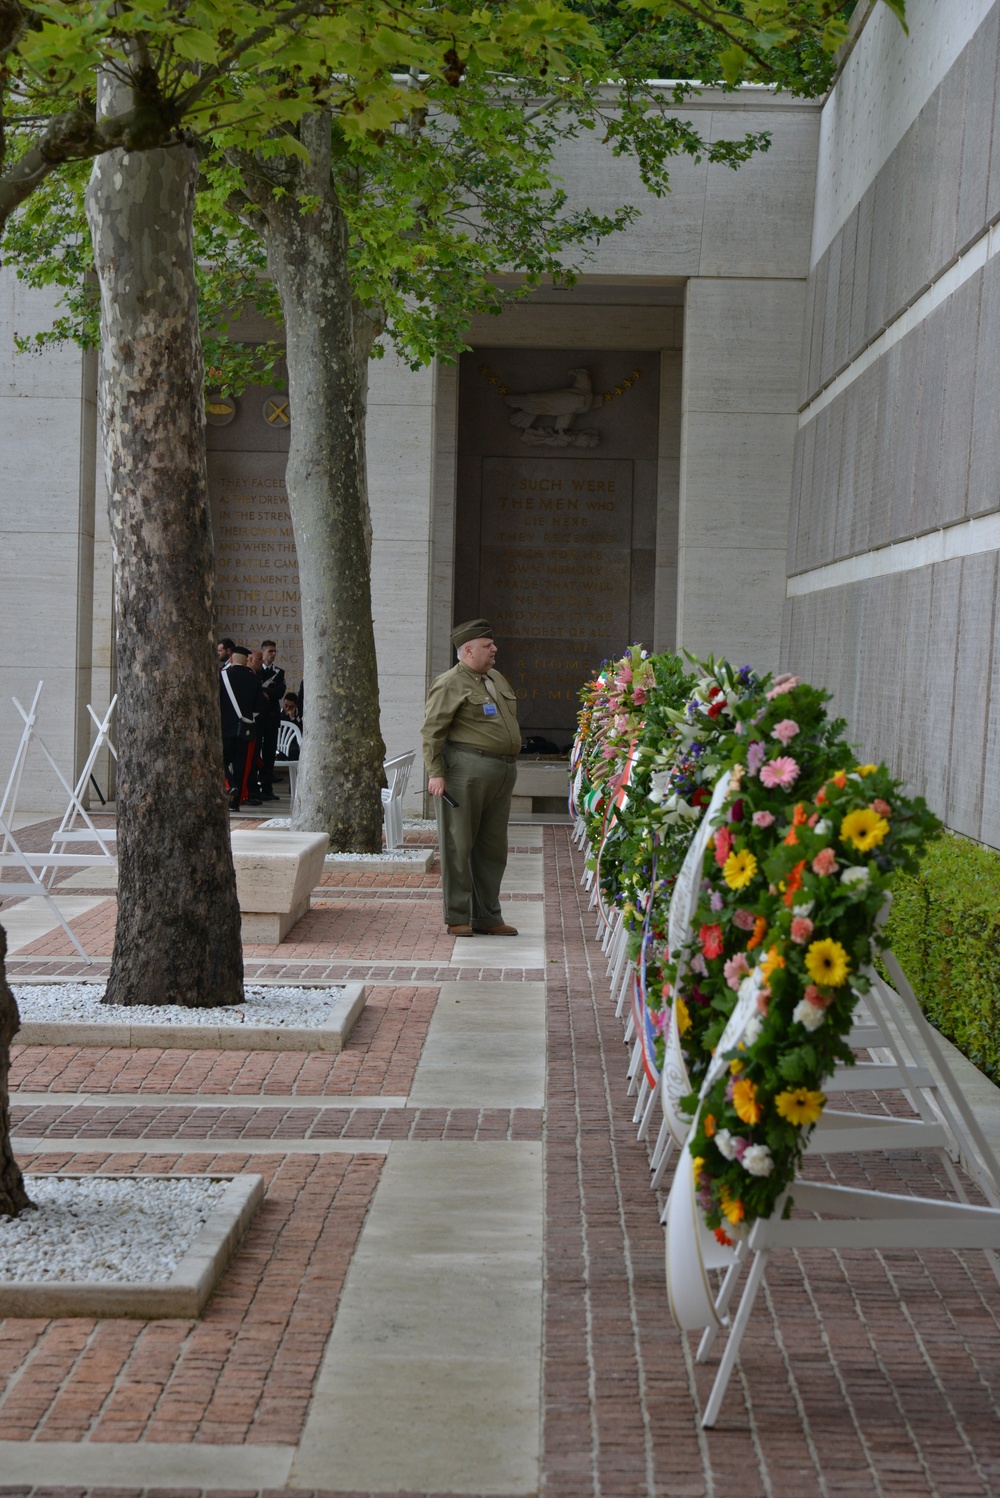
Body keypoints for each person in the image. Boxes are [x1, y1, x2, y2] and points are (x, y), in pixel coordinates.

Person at [421, 618, 521, 937]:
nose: (495, 649)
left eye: (492, 644)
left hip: (500, 772)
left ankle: (487, 915)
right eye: (487, 646)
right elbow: (432, 731)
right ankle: (458, 916)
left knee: (492, 848)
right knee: (458, 845)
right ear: (468, 650)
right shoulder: (450, 682)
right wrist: (435, 773)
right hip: (465, 772)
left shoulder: (495, 678)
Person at [219, 644, 265, 810]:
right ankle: (235, 803)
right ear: (246, 661)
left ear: (231, 659)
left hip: (224, 728)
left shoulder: (221, 676)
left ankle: (230, 785)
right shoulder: (254, 678)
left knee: (221, 761)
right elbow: (259, 706)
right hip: (245, 729)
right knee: (242, 766)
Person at [258, 640, 287, 801]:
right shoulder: (256, 671)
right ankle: (255, 786)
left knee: (269, 754)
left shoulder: (279, 672)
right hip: (259, 717)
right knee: (256, 753)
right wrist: (268, 691)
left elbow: (280, 692)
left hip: (271, 718)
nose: (273, 654)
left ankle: (267, 788)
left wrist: (268, 691)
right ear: (262, 652)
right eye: (270, 651)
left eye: (275, 651)